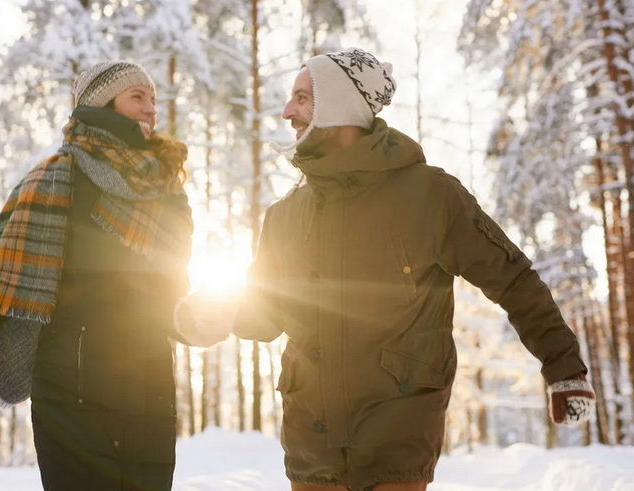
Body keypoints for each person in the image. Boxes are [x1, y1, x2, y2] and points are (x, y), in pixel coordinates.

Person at [233, 47, 596, 491]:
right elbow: (264, 317)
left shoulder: (430, 196)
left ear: (341, 105)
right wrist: (205, 315)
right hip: (312, 447)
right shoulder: (284, 215)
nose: (288, 111)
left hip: (396, 441)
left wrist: (564, 368)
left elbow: (513, 277)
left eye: (303, 98)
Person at [0, 61, 196, 491]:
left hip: (150, 390)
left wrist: (200, 320)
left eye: (154, 99)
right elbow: (3, 281)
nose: (151, 109)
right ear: (101, 103)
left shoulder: (167, 192)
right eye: (138, 96)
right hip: (74, 393)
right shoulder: (56, 179)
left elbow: (175, 299)